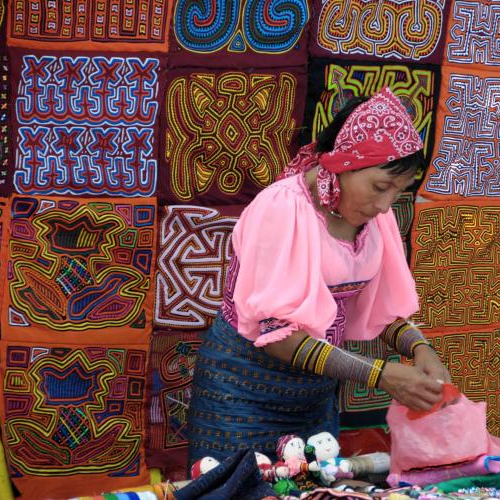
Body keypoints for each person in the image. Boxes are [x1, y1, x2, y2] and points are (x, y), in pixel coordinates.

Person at [187, 87, 452, 467]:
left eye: (398, 190)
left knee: (316, 490)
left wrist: (421, 349)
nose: (385, 204)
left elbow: (379, 306)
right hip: (241, 395)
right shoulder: (282, 209)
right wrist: (381, 376)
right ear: (342, 164)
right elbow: (277, 334)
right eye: (380, 187)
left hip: (313, 400)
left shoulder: (375, 221)